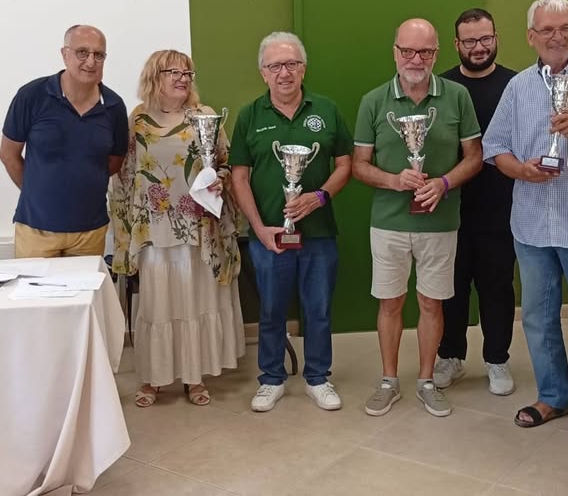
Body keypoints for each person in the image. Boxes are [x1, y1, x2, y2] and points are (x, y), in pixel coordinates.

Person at [353, 18, 482, 418]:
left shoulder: (457, 96)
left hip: (440, 222)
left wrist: (443, 183)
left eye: (425, 51)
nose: (416, 59)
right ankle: (389, 381)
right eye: (407, 51)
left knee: (431, 304)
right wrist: (394, 180)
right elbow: (359, 165)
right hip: (388, 223)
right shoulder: (373, 101)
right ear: (395, 52)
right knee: (390, 303)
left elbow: (474, 157)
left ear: (436, 53)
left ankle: (427, 380)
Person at [483, 0, 568, 446]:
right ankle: (551, 397)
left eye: (565, 27)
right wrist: (521, 170)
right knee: (538, 318)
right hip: (531, 224)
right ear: (531, 36)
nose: (557, 36)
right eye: (547, 29)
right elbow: (495, 147)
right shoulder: (518, 87)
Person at [110, 49, 245, 407]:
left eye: (188, 73)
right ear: (154, 77)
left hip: (199, 229)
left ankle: (194, 377)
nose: (183, 78)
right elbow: (124, 177)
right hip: (153, 231)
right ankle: (153, 380)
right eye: (174, 72)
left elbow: (226, 162)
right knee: (158, 306)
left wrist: (220, 180)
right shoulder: (137, 120)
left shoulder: (204, 116)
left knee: (195, 301)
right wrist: (124, 233)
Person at [229, 31, 352, 412]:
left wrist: (319, 197)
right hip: (269, 236)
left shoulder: (326, 110)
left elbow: (345, 164)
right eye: (275, 66)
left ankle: (318, 378)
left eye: (292, 64)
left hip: (319, 233)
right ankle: (271, 379)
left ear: (303, 68)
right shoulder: (249, 116)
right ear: (263, 73)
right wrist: (257, 228)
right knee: (271, 311)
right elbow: (239, 177)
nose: (284, 73)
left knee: (318, 309)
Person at [434, 9, 517, 396]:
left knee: (497, 287)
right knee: (450, 288)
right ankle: (450, 355)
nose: (479, 47)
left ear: (496, 38)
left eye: (485, 39)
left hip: (501, 208)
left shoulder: (516, 85)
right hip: (450, 208)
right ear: (457, 44)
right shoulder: (442, 87)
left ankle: (497, 359)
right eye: (470, 41)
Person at [0, 25, 128, 258]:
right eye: (82, 52)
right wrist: (36, 191)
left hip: (90, 232)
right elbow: (8, 154)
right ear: (64, 54)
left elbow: (114, 162)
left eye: (99, 55)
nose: (91, 62)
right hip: (36, 230)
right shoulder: (32, 95)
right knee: (34, 285)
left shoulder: (114, 106)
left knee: (89, 285)